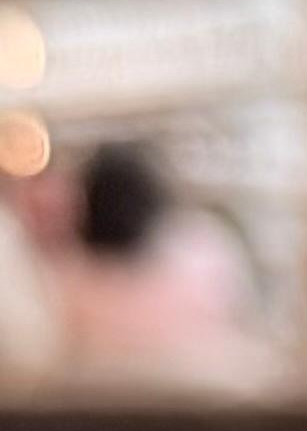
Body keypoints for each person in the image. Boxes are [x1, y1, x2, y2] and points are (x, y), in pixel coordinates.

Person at [43, 141, 285, 400]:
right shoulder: (205, 245)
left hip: (107, 408)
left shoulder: (67, 275)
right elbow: (246, 318)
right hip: (213, 399)